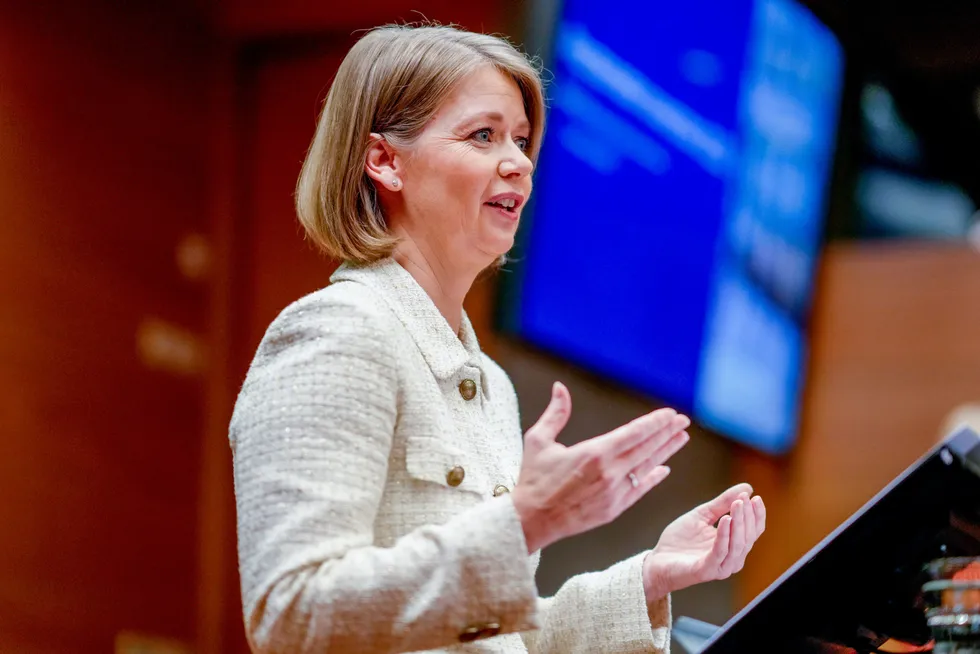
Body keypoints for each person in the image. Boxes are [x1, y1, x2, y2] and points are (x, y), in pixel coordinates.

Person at [229, 22, 766, 654]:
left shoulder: (493, 386)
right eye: (483, 136)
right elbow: (292, 614)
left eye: (520, 139)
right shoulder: (339, 332)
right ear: (384, 161)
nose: (519, 162)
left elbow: (489, 639)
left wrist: (647, 579)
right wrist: (526, 523)